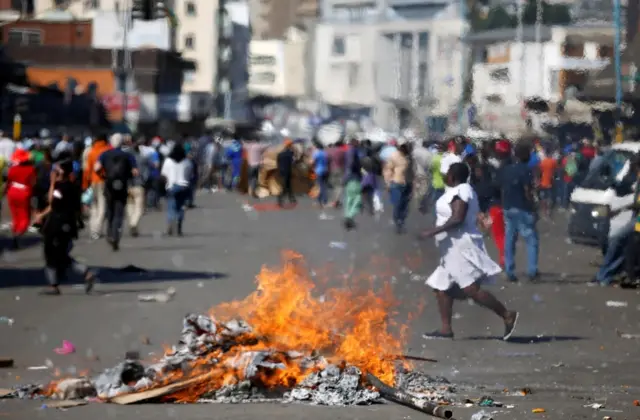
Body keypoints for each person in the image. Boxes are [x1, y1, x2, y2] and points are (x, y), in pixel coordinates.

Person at [420, 162, 519, 340]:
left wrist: (432, 231)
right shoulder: (457, 191)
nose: (444, 176)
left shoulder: (463, 190)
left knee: (471, 289)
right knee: (441, 287)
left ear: (452, 176)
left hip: (459, 247)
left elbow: (458, 218)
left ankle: (507, 315)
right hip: (449, 249)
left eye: (447, 172)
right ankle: (445, 329)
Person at [33, 159, 95, 295]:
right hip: (68, 223)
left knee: (51, 253)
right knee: (60, 254)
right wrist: (41, 215)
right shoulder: (73, 186)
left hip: (57, 224)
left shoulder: (61, 187)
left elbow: (52, 202)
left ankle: (55, 284)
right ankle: (83, 273)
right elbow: (53, 206)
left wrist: (53, 183)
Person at [499, 142, 539, 282]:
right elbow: (527, 190)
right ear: (527, 156)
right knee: (531, 240)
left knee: (510, 239)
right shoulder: (526, 170)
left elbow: (502, 188)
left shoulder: (507, 169)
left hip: (508, 207)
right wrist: (533, 207)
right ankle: (532, 270)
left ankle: (509, 270)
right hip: (523, 208)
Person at [95, 133, 137, 251]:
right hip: (122, 186)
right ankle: (115, 235)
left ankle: (109, 233)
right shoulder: (128, 156)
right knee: (119, 212)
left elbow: (96, 168)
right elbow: (135, 172)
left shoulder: (104, 154)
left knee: (110, 210)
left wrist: (103, 176)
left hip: (109, 185)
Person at [5, 149, 37, 249]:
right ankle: (19, 233)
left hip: (12, 192)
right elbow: (33, 182)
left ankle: (15, 232)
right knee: (24, 216)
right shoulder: (31, 169)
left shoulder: (12, 169)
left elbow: (8, 181)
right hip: (24, 192)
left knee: (15, 215)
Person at [83, 134, 112, 240]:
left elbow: (87, 170)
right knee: (102, 206)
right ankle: (97, 230)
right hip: (104, 181)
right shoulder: (108, 150)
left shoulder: (91, 152)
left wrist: (85, 184)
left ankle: (93, 228)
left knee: (94, 206)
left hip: (93, 181)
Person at [161, 142, 193, 236]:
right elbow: (189, 175)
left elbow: (163, 175)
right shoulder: (187, 162)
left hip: (172, 186)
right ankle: (179, 225)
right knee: (181, 207)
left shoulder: (168, 161)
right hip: (184, 186)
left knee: (171, 207)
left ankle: (170, 226)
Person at [384, 141, 414, 234]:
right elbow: (388, 170)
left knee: (405, 205)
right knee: (397, 204)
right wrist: (388, 183)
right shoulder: (394, 156)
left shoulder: (410, 157)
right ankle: (398, 222)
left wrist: (414, 184)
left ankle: (402, 220)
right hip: (397, 183)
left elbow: (412, 171)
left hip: (408, 183)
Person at [342, 138, 362, 230]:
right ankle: (350, 216)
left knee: (349, 198)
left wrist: (345, 178)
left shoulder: (347, 151)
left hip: (348, 179)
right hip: (354, 178)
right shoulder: (354, 152)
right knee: (358, 198)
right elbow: (351, 165)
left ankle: (348, 216)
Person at [276, 139, 296, 207]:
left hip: (281, 171)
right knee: (285, 186)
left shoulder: (280, 154)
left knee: (288, 185)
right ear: (290, 146)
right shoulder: (290, 154)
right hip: (287, 171)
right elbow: (293, 162)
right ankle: (280, 200)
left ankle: (292, 198)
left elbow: (278, 163)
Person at [538, 149, 557, 217]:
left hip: (543, 182)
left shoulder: (542, 162)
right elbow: (555, 170)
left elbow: (540, 171)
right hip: (551, 182)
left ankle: (544, 211)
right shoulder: (553, 161)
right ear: (551, 154)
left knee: (543, 197)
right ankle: (549, 210)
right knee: (549, 196)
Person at [312, 142, 329, 207]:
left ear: (317, 147)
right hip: (325, 170)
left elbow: (312, 162)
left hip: (319, 171)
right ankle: (325, 200)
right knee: (324, 186)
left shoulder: (317, 153)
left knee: (319, 186)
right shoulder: (325, 153)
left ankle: (319, 201)